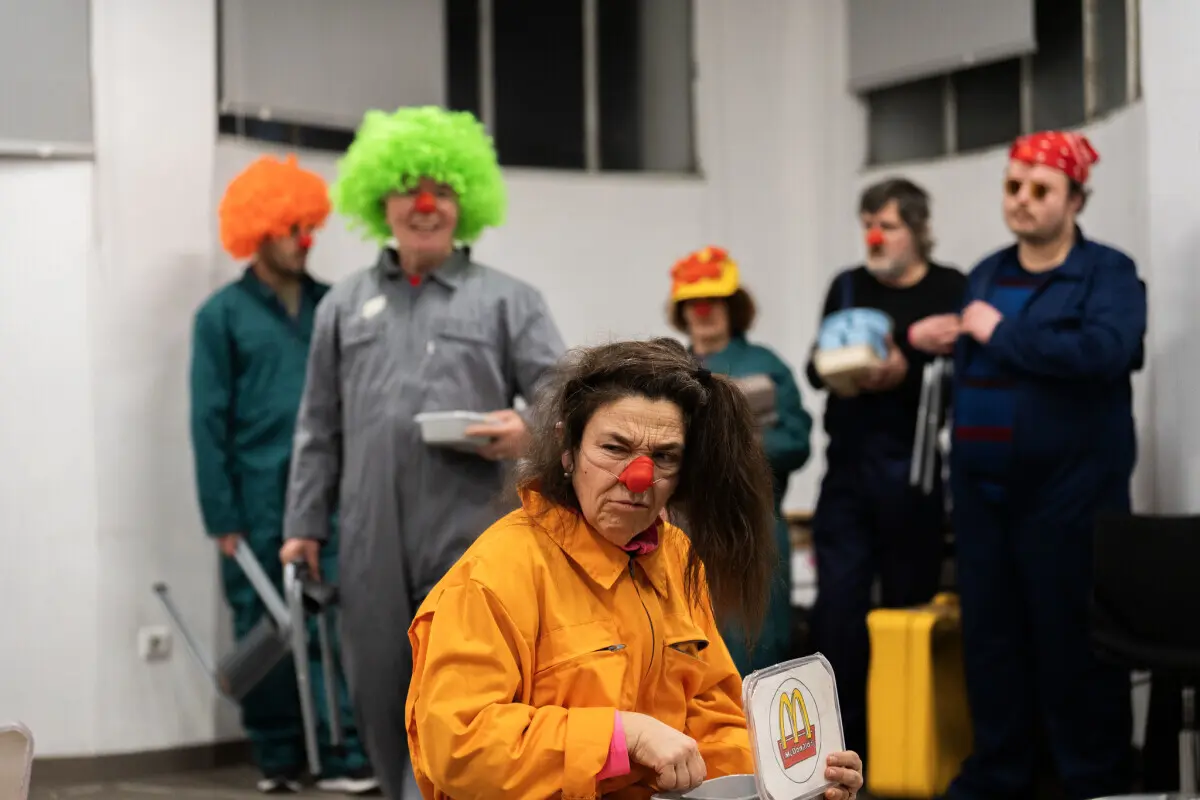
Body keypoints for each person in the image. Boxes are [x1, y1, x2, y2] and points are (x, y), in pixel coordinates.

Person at [404, 338, 864, 799]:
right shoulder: (492, 576)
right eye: (614, 447)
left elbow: (713, 713)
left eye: (664, 456)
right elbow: (458, 747)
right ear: (569, 450)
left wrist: (789, 778)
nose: (637, 477)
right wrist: (620, 738)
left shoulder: (676, 557)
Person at [280, 106, 566, 799]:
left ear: (464, 201)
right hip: (370, 533)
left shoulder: (510, 301)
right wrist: (301, 525)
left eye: (441, 188)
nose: (426, 204)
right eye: (408, 185)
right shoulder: (341, 307)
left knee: (464, 693)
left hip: (473, 530)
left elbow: (565, 399)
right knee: (377, 687)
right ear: (381, 198)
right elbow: (318, 424)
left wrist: (528, 430)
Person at [914, 131, 1145, 800]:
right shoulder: (987, 272)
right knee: (991, 641)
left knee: (1074, 642)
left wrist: (1000, 332)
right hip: (984, 494)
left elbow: (1108, 350)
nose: (1022, 201)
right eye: (1013, 186)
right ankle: (1001, 772)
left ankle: (1088, 778)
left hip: (1070, 493)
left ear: (1076, 197)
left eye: (1040, 189)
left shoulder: (1108, 272)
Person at [189, 155, 378, 794]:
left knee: (336, 622)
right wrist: (223, 519)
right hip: (254, 503)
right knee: (266, 628)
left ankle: (346, 751)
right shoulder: (221, 317)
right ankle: (278, 758)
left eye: (308, 229)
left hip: (331, 496)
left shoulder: (336, 306)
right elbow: (207, 420)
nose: (302, 243)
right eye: (288, 229)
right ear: (257, 231)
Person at [805, 178, 967, 765]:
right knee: (838, 614)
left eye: (889, 224)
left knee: (909, 607)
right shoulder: (848, 285)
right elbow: (814, 367)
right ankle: (843, 756)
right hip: (848, 468)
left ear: (918, 229)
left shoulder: (951, 287)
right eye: (868, 222)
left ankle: (909, 750)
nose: (875, 235)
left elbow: (969, 368)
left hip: (915, 467)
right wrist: (881, 350)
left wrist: (910, 355)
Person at [667, 245, 812, 674]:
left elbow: (795, 441)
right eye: (693, 302)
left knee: (756, 651)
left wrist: (721, 446)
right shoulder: (668, 367)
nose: (704, 311)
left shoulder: (765, 366)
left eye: (713, 301)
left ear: (734, 307)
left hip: (751, 528)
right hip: (680, 532)